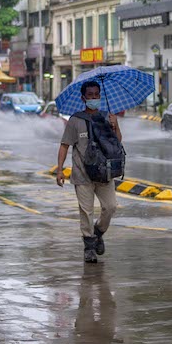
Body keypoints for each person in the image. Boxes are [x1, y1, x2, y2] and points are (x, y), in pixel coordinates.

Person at [56, 80, 122, 263]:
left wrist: (115, 125)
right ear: (83, 98)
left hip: (104, 173)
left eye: (96, 95)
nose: (94, 98)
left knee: (110, 207)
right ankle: (89, 247)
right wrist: (60, 170)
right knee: (86, 211)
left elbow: (118, 142)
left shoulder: (108, 117)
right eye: (90, 95)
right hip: (82, 174)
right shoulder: (75, 120)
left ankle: (98, 232)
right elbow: (64, 146)